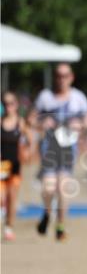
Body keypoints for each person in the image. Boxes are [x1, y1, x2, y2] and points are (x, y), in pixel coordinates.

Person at [34, 63, 87, 242]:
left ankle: (60, 225)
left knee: (63, 187)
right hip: (49, 148)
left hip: (68, 149)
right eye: (58, 75)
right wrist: (41, 123)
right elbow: (31, 119)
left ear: (71, 77)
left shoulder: (78, 98)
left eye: (65, 75)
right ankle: (47, 213)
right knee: (49, 188)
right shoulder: (45, 97)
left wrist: (81, 126)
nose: (62, 79)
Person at [1, 91, 32, 240]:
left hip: (15, 164)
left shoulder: (20, 122)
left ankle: (9, 227)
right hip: (1, 165)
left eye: (11, 103)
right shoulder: (0, 122)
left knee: (12, 197)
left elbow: (30, 140)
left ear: (16, 105)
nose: (8, 107)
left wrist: (26, 152)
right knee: (1, 197)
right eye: (5, 104)